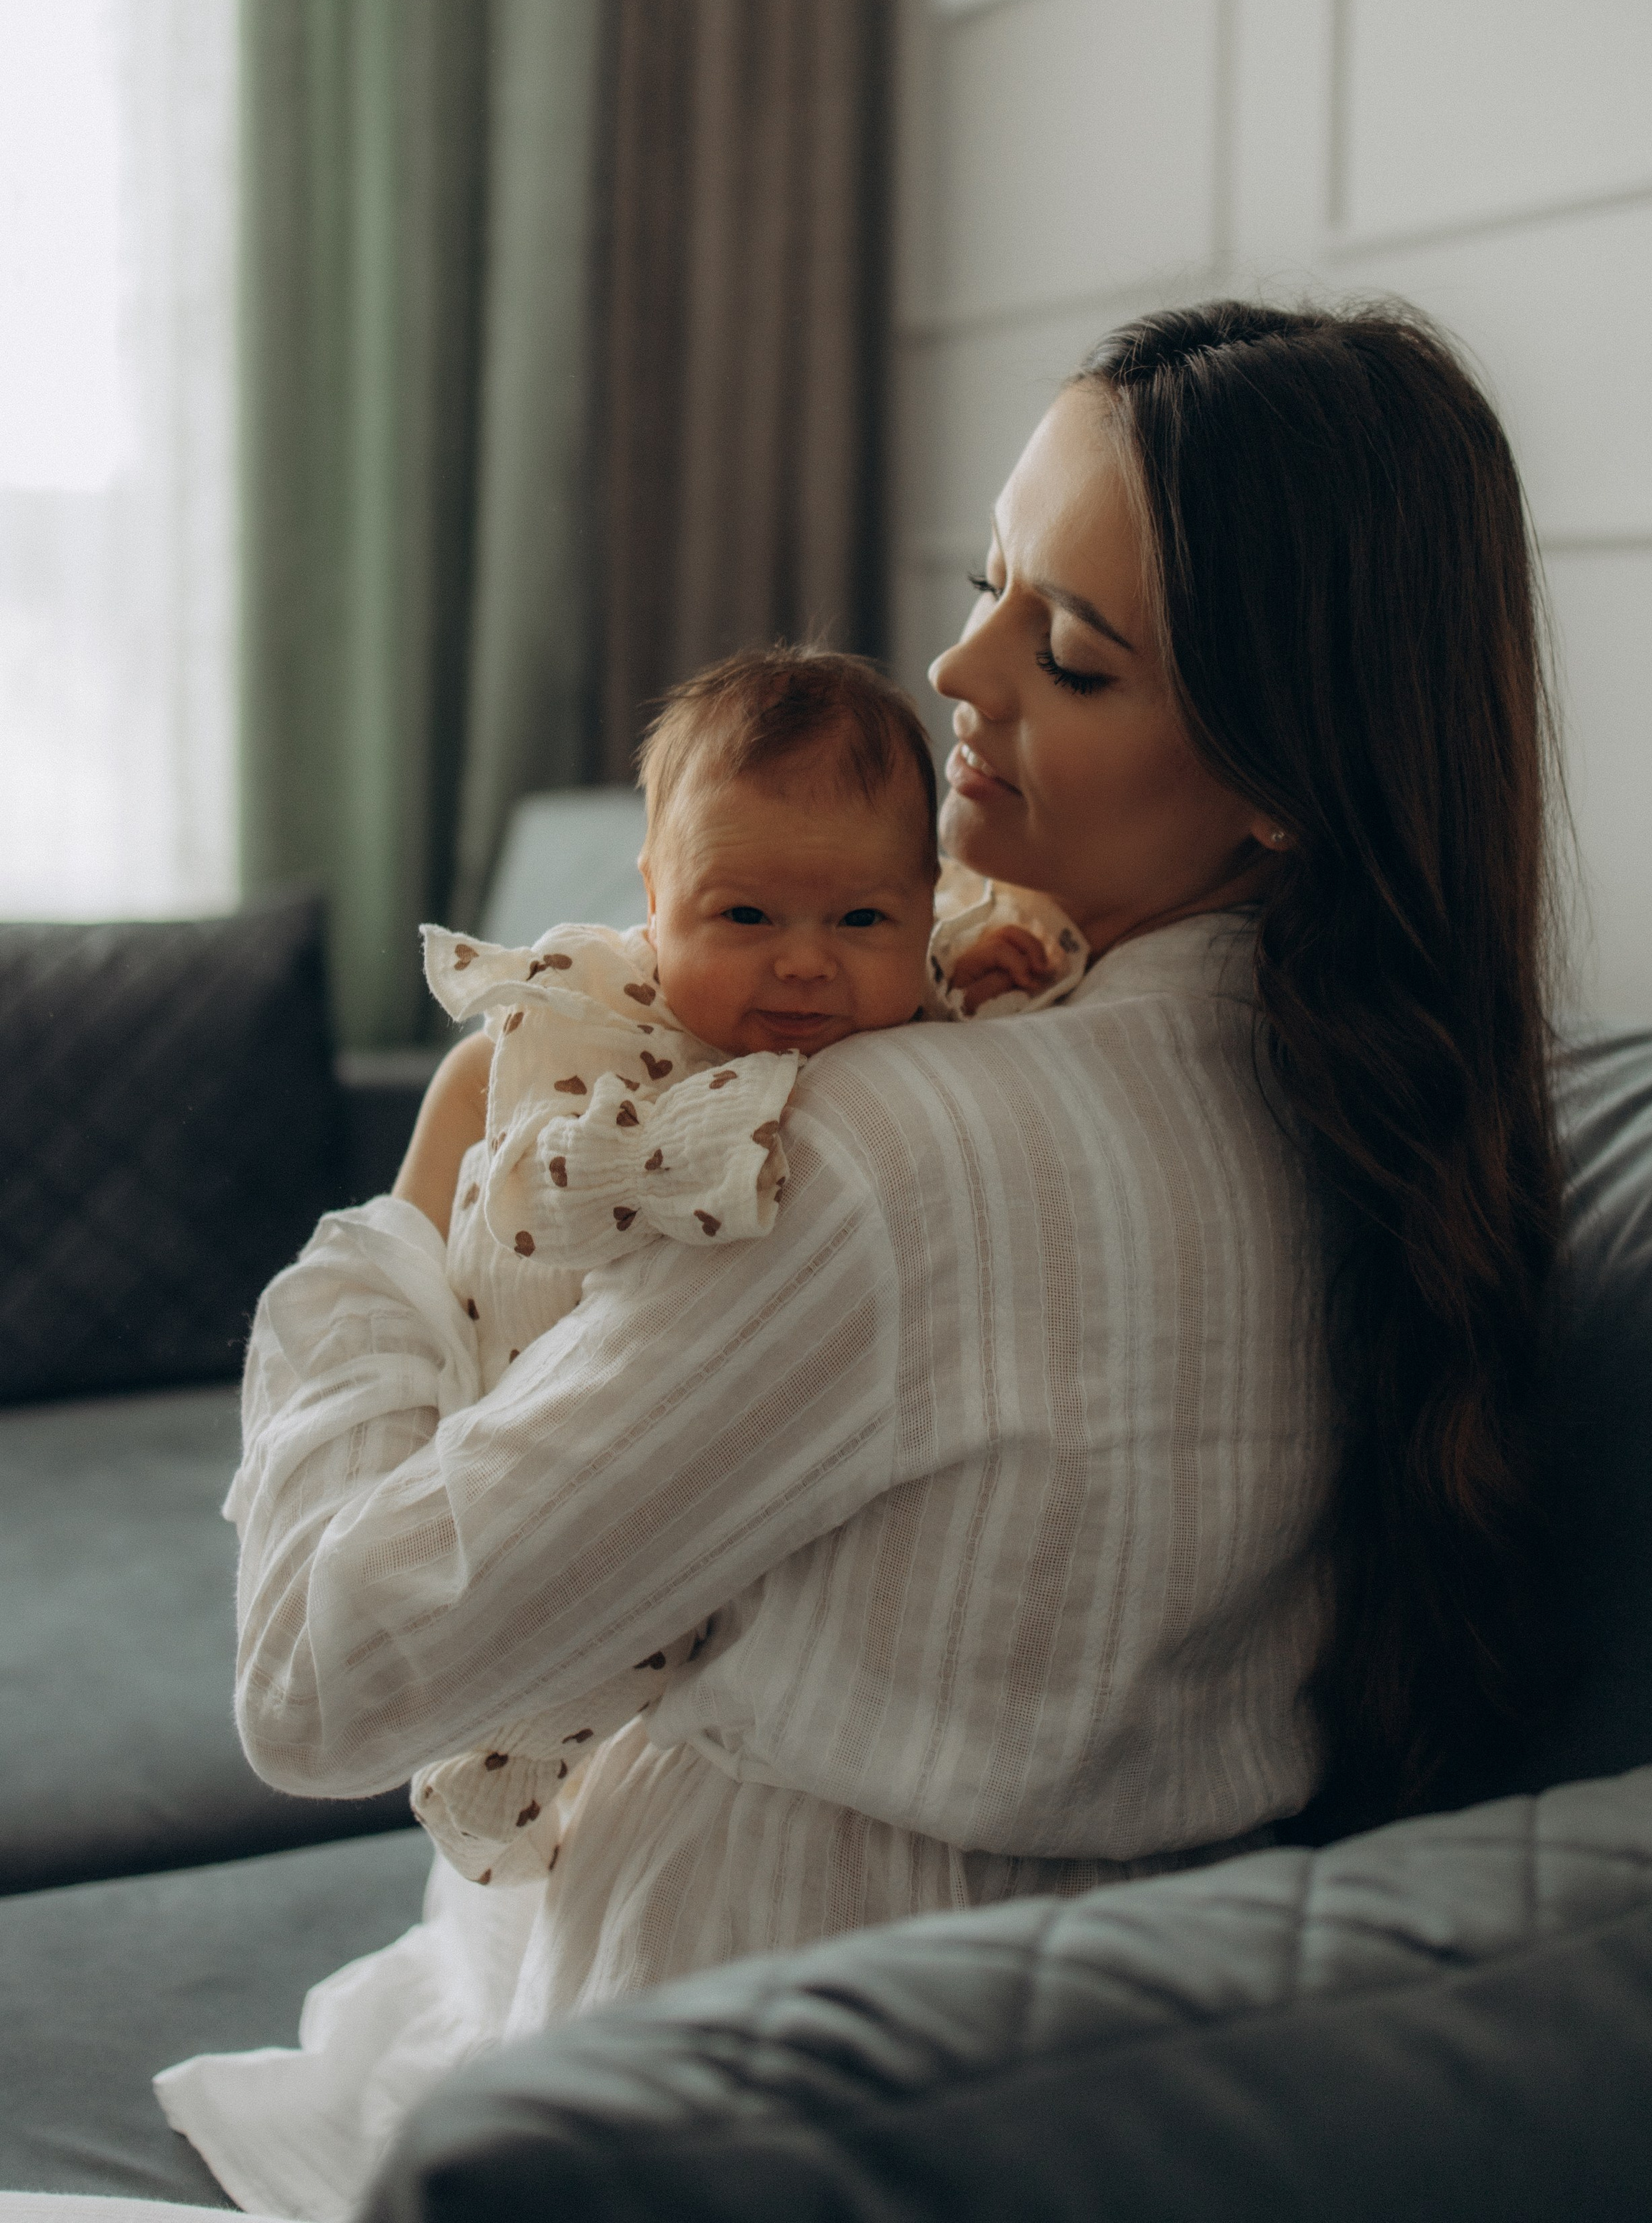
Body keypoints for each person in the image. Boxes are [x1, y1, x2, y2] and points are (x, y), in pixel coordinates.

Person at [156, 299, 1562, 2222]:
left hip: (718, 2082)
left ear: (1281, 779)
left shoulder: (879, 1159)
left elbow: (317, 1679)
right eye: (993, 587)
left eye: (1070, 654)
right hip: (1115, 2087)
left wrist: (414, 1206)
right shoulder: (1389, 1119)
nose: (957, 665)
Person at [408, 645, 1087, 1890]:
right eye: (746, 916)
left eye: (864, 920)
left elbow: (925, 1007)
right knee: (517, 1613)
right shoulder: (601, 1033)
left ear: (924, 906)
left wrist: (966, 981)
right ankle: (489, 1772)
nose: (805, 964)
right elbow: (488, 1191)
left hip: (709, 1470)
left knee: (639, 1641)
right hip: (522, 1385)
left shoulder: (901, 1032)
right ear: (654, 899)